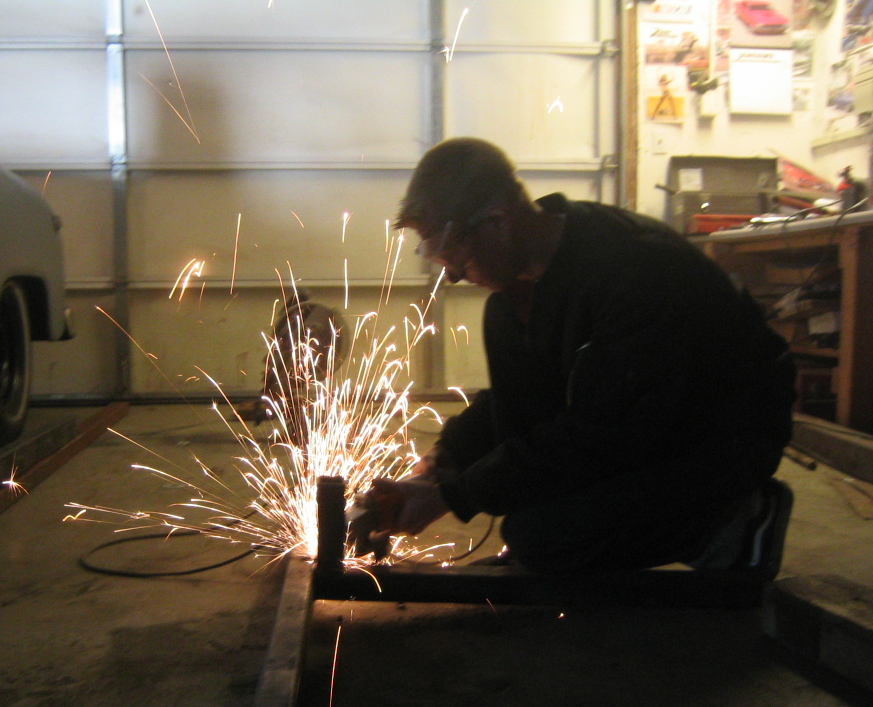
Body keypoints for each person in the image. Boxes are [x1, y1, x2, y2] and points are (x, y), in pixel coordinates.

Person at [370, 137, 796, 579]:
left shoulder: (634, 269)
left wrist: (452, 498)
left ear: (497, 221)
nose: (452, 274)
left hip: (724, 433)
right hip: (641, 421)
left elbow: (606, 433)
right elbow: (516, 405)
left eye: (450, 252)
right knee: (535, 511)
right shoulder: (510, 302)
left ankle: (737, 526)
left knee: (543, 534)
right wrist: (441, 463)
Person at [256, 289, 346, 442]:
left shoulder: (300, 321)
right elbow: (279, 346)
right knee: (285, 398)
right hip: (288, 367)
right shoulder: (291, 322)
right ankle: (296, 428)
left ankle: (300, 429)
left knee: (292, 400)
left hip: (294, 367)